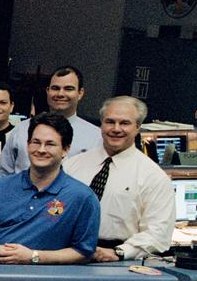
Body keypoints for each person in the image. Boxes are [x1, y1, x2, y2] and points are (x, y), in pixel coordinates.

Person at [0, 113, 101, 265]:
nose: (41, 150)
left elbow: (84, 252)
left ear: (65, 149)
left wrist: (34, 257)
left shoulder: (82, 197)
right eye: (36, 142)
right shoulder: (1, 186)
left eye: (50, 144)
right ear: (28, 145)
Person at [64, 96, 174, 262]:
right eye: (110, 122)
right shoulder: (71, 166)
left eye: (124, 123)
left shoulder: (153, 177)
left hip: (116, 258)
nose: (116, 129)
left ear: (137, 127)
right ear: (101, 124)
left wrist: (120, 252)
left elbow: (158, 232)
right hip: (66, 253)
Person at [0, 66, 102, 176]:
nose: (60, 94)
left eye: (68, 89)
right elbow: (2, 175)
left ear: (80, 93)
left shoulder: (95, 137)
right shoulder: (22, 129)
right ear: (47, 91)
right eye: (55, 88)